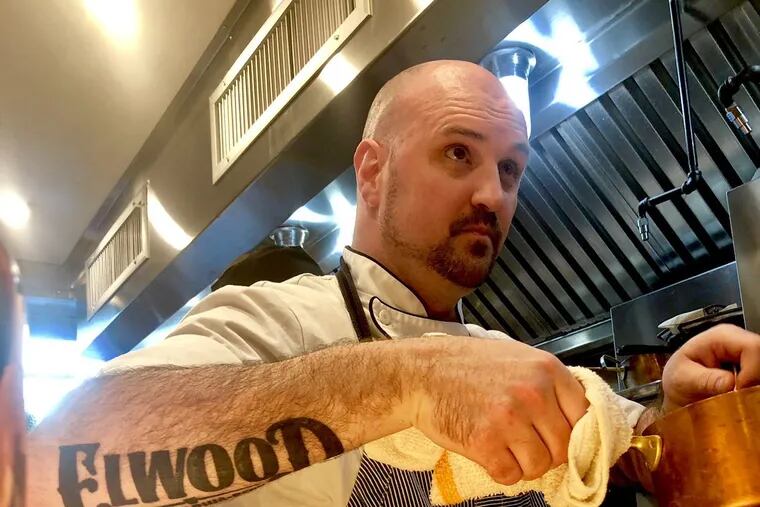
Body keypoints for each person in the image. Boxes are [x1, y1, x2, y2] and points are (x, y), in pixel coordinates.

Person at [29, 60, 760, 507]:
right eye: (458, 153)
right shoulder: (281, 322)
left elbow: (611, 453)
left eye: (510, 169)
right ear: (373, 171)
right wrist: (408, 380)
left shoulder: (496, 352)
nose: (493, 194)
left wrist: (677, 415)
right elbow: (53, 462)